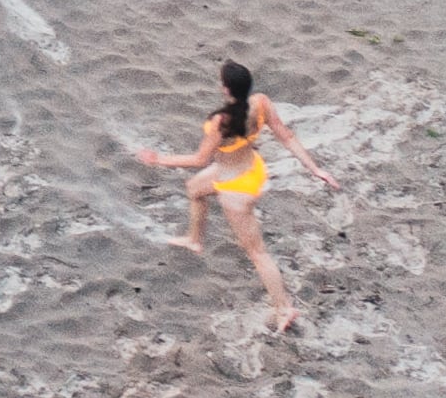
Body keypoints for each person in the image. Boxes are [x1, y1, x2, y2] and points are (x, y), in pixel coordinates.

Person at [139, 61, 341, 334]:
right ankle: (194, 239)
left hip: (236, 190)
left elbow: (199, 159)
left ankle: (284, 308)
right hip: (250, 170)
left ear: (225, 89)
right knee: (195, 188)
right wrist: (316, 169)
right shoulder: (261, 103)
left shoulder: (220, 122)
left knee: (258, 253)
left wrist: (159, 160)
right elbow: (287, 136)